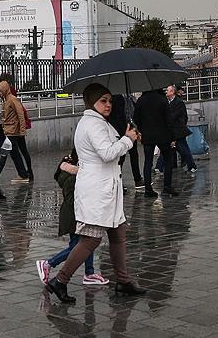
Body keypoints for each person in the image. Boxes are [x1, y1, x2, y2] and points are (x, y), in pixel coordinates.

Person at [48, 83, 145, 302]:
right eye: (103, 100)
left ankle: (123, 281)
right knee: (90, 240)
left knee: (118, 236)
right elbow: (108, 154)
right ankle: (60, 281)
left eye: (110, 100)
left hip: (108, 190)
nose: (108, 104)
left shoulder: (100, 123)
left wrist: (127, 136)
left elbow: (112, 151)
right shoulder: (93, 125)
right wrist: (127, 140)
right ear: (92, 102)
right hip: (97, 191)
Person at [35, 148, 109, 287]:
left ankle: (89, 273)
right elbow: (72, 200)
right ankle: (49, 263)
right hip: (74, 216)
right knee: (79, 247)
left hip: (75, 214)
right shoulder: (75, 177)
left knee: (88, 241)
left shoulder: (69, 170)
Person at [134, 89, 178, 197]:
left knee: (148, 162)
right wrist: (173, 136)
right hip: (163, 135)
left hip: (147, 136)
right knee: (168, 159)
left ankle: (148, 190)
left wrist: (141, 130)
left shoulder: (140, 100)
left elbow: (136, 119)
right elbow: (169, 120)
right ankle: (167, 187)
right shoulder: (162, 100)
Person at [0, 81, 32, 183]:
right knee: (15, 154)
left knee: (13, 154)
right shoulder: (6, 100)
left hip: (12, 132)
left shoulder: (12, 99)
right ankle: (24, 174)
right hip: (10, 130)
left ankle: (23, 175)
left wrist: (22, 131)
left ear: (4, 90)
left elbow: (20, 115)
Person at [111, 94, 142, 187]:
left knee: (134, 155)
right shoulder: (116, 98)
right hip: (120, 131)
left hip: (131, 130)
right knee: (121, 158)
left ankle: (137, 179)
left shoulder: (131, 99)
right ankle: (118, 181)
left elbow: (134, 114)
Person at [165, 85, 197, 173]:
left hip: (178, 130)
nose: (166, 92)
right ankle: (164, 167)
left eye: (167, 90)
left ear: (172, 92)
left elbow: (178, 116)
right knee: (171, 149)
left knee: (183, 149)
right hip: (173, 131)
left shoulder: (178, 102)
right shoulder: (168, 102)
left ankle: (192, 166)